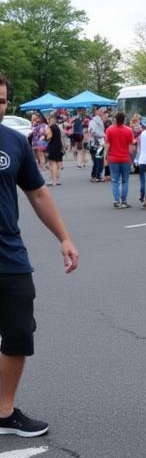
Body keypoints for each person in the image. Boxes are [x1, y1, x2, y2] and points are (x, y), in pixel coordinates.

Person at [0, 74, 79, 437]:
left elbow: (38, 194)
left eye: (1, 101)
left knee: (18, 333)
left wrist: (64, 237)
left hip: (9, 256)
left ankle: (4, 412)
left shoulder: (14, 142)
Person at [105, 111, 135, 209]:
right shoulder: (129, 130)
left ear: (115, 119)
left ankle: (117, 201)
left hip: (113, 158)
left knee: (115, 180)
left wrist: (106, 156)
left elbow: (107, 145)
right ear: (124, 119)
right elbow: (131, 147)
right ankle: (124, 201)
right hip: (125, 158)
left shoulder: (109, 130)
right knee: (125, 180)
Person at [88, 108, 106, 182]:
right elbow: (93, 131)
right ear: (96, 111)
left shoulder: (93, 121)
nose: (102, 112)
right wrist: (102, 135)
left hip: (95, 143)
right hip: (98, 142)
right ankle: (97, 175)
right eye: (100, 111)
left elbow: (91, 131)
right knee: (99, 159)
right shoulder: (97, 121)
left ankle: (94, 175)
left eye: (102, 111)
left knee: (97, 159)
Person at [44, 118, 63, 187]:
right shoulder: (57, 127)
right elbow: (60, 137)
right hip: (58, 146)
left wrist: (45, 137)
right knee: (57, 164)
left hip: (52, 146)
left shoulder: (50, 128)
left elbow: (49, 137)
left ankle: (53, 180)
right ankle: (57, 180)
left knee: (52, 164)